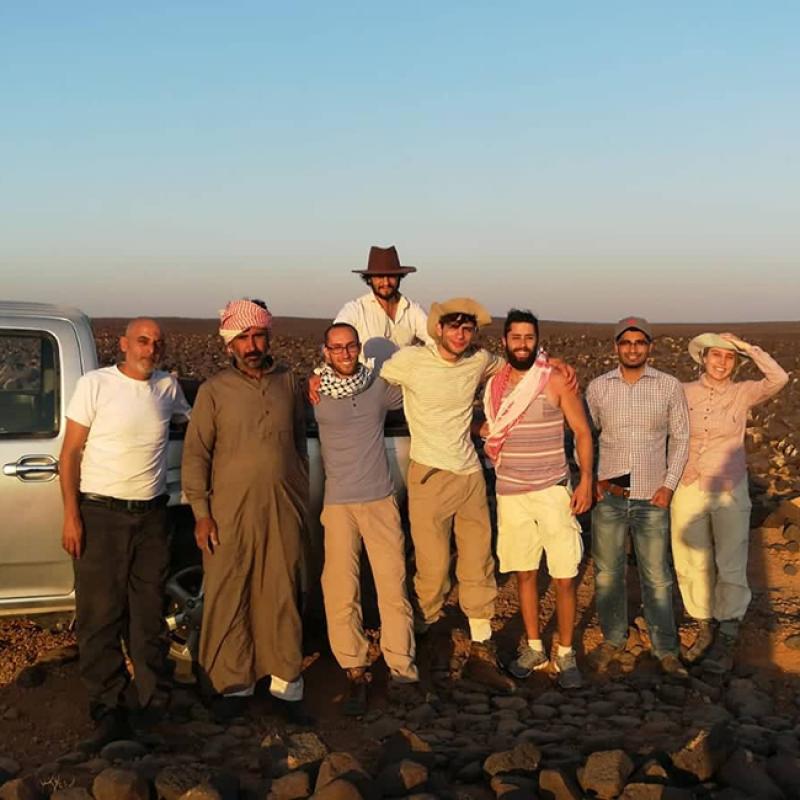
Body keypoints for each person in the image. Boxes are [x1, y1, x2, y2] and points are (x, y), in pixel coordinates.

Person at [60, 318, 191, 752]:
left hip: (152, 515)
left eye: (157, 342)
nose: (150, 347)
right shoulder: (95, 384)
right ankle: (108, 710)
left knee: (148, 615)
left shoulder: (168, 388)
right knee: (100, 616)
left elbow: (199, 421)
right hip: (102, 513)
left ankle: (153, 706)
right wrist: (71, 516)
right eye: (142, 340)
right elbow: (71, 452)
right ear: (123, 344)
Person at [181, 299, 310, 723]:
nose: (252, 345)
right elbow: (197, 454)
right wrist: (201, 511)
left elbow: (297, 444)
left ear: (268, 337)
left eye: (258, 336)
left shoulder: (288, 383)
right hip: (229, 511)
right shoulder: (214, 390)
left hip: (283, 506)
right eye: (243, 338)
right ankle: (232, 686)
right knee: (229, 591)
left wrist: (299, 494)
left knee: (282, 591)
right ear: (229, 345)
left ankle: (285, 686)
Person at [380, 297, 513, 690]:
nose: (460, 333)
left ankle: (482, 646)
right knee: (433, 566)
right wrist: (322, 381)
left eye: (467, 327)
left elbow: (515, 375)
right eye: (453, 326)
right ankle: (424, 636)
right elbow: (366, 379)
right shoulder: (410, 361)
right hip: (429, 476)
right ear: (438, 328)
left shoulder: (480, 360)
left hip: (470, 475)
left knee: (477, 559)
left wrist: (554, 370)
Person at [313, 322, 419, 714]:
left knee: (393, 588)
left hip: (380, 500)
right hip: (338, 504)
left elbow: (420, 392)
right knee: (341, 590)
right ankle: (353, 667)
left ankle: (402, 667)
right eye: (336, 347)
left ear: (359, 349)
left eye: (350, 346)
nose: (343, 353)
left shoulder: (377, 388)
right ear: (325, 351)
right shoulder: (314, 392)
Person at [484, 310, 593, 689]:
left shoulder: (555, 379)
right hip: (511, 491)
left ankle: (565, 652)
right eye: (516, 337)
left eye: (529, 337)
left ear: (537, 340)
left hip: (551, 490)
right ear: (504, 341)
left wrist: (586, 480)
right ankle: (533, 647)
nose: (523, 344)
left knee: (564, 575)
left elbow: (581, 432)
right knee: (524, 573)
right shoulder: (493, 383)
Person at [671, 332, 788, 672]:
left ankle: (728, 631)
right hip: (688, 485)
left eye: (729, 358)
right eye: (715, 356)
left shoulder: (743, 393)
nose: (721, 363)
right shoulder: (681, 391)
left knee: (731, 558)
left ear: (736, 363)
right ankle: (704, 624)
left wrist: (747, 347)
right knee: (690, 558)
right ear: (702, 358)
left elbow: (779, 377)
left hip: (729, 487)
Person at [586, 316, 690, 677]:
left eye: (639, 342)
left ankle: (666, 648)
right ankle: (613, 639)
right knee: (607, 573)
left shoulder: (668, 386)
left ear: (650, 346)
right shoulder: (599, 387)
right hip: (610, 497)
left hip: (651, 497)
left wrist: (669, 485)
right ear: (616, 347)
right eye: (625, 342)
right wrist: (591, 482)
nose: (632, 348)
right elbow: (585, 436)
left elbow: (680, 438)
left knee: (657, 576)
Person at [334, 245, 432, 368]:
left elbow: (434, 340)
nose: (386, 282)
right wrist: (321, 373)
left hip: (403, 382)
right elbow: (335, 344)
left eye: (391, 276)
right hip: (367, 383)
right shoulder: (355, 310)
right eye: (380, 276)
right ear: (369, 279)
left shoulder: (412, 310)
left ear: (400, 277)